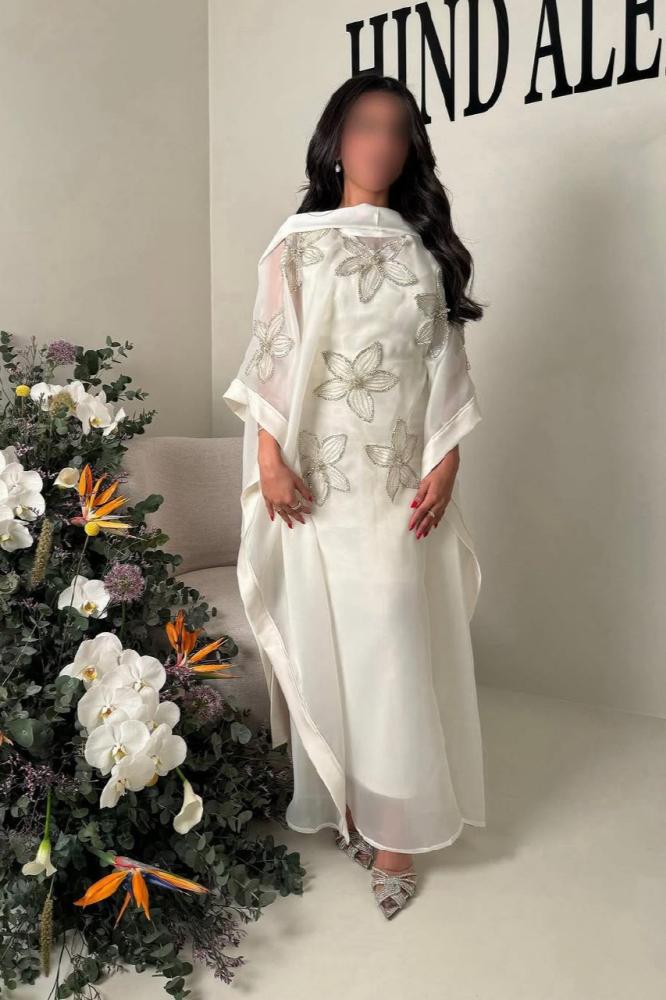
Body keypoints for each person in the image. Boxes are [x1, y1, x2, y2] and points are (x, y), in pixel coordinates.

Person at [222, 73, 487, 919]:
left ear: (409, 150)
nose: (380, 142)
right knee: (331, 643)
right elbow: (270, 355)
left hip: (398, 483)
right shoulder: (295, 245)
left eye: (396, 130)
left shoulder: (423, 250)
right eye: (365, 126)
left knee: (392, 643)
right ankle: (352, 804)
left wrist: (449, 460)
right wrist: (269, 459)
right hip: (317, 484)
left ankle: (397, 834)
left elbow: (445, 366)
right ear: (336, 141)